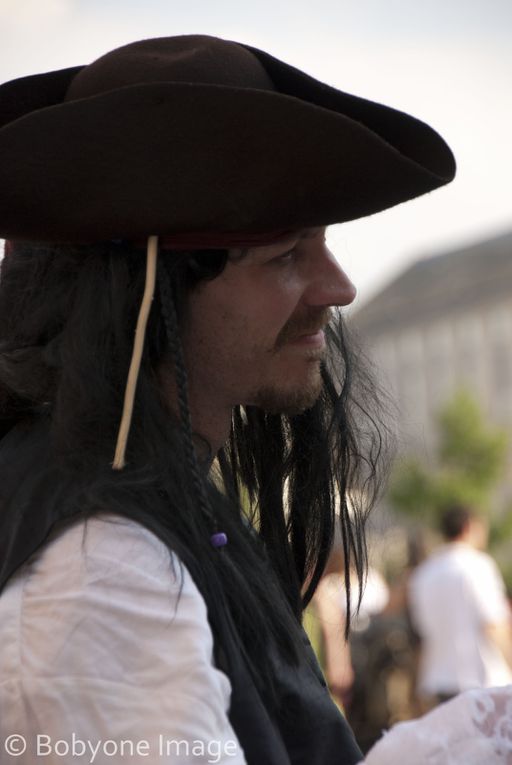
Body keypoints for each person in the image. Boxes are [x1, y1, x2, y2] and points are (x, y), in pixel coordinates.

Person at [0, 35, 455, 764]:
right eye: (285, 256)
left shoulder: (152, 496)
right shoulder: (100, 568)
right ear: (152, 292)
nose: (339, 288)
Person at [408, 504, 512, 708]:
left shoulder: (423, 573)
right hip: (481, 680)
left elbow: (420, 632)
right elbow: (493, 625)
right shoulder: (478, 566)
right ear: (468, 527)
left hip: (437, 681)